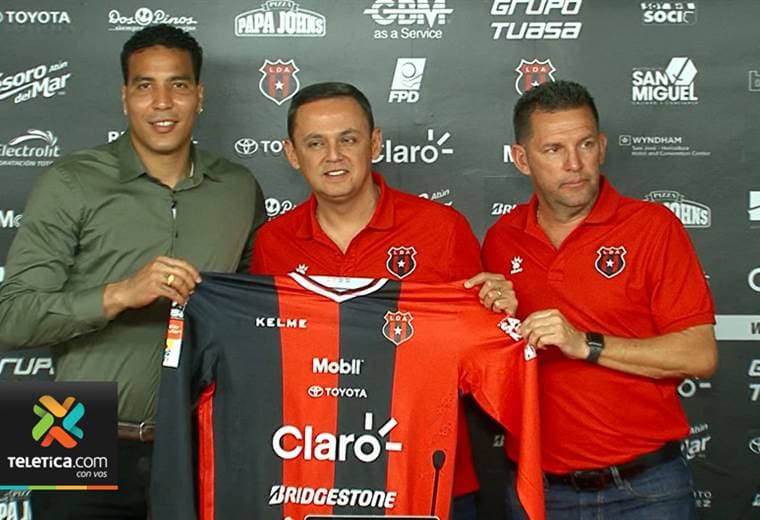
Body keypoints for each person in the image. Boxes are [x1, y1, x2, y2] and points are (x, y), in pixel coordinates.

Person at [0, 24, 265, 519]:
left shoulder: (237, 187)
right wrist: (121, 293)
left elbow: (255, 313)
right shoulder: (70, 180)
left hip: (195, 439)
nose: (162, 102)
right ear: (125, 97)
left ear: (200, 95)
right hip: (70, 427)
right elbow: (10, 319)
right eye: (145, 86)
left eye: (178, 85)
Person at [251, 81, 516, 518]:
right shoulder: (273, 243)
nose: (333, 156)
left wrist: (499, 316)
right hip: (315, 479)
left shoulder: (442, 229)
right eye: (315, 143)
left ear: (374, 143)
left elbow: (481, 356)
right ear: (292, 154)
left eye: (348, 139)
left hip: (427, 475)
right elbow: (265, 357)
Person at [482, 80, 717, 518]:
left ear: (602, 147)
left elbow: (699, 354)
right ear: (521, 159)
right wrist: (494, 322)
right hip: (539, 489)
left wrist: (585, 343)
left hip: (647, 490)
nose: (574, 164)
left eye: (585, 144)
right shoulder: (501, 239)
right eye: (554, 149)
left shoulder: (652, 227)